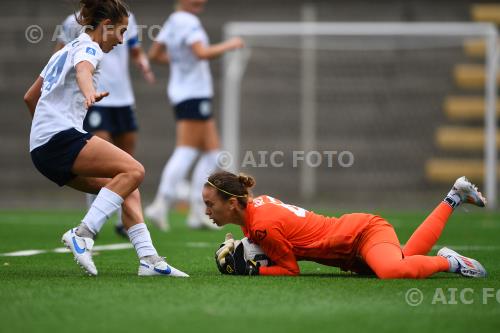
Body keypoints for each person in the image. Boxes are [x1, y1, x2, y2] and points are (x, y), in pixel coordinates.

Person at [23, 0, 187, 277]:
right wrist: (88, 94)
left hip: (42, 149)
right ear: (106, 27)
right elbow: (84, 70)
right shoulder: (90, 47)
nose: (122, 40)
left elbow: (30, 97)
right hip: (58, 139)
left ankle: (149, 259)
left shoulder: (63, 51)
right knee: (135, 170)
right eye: (121, 32)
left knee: (127, 186)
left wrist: (43, 132)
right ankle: (82, 234)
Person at [203, 171, 487, 278]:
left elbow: (291, 270)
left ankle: (451, 263)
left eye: (210, 204)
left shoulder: (260, 224)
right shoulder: (254, 211)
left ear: (231, 203)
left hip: (361, 234)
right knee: (407, 257)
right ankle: (454, 197)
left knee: (391, 270)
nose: (206, 211)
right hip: (351, 246)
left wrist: (253, 271)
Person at [54, 7, 155, 238]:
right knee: (102, 162)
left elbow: (135, 50)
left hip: (123, 98)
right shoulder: (74, 23)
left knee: (127, 162)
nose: (120, 38)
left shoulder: (127, 16)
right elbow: (61, 58)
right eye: (118, 33)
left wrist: (143, 62)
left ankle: (123, 220)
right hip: (96, 98)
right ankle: (92, 219)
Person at [146, 0, 244, 231]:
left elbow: (154, 54)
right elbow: (201, 52)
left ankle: (197, 210)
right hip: (193, 94)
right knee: (186, 150)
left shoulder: (172, 21)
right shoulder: (189, 21)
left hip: (186, 93)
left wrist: (182, 62)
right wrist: (231, 44)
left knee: (213, 153)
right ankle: (161, 203)